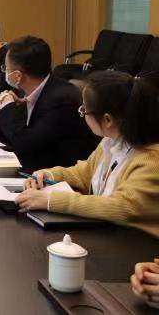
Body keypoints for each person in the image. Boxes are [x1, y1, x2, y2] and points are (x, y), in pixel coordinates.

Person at [15, 71, 159, 237]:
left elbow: (122, 206)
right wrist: (49, 174)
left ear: (108, 120)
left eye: (84, 110)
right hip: (108, 235)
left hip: (138, 245)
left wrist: (50, 200)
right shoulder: (110, 141)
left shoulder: (152, 160)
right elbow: (84, 173)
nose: (82, 114)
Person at [0, 36, 98, 170]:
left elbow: (25, 145)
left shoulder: (61, 101)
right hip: (37, 169)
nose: (5, 72)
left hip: (60, 176)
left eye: (6, 68)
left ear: (17, 76)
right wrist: (9, 107)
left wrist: (7, 107)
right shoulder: (28, 91)